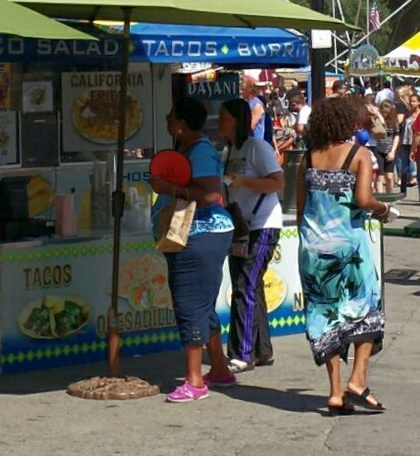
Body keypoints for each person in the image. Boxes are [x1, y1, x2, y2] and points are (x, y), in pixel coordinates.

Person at [298, 94, 393, 414]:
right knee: (367, 307)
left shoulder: (308, 157)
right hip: (348, 249)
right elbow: (365, 199)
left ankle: (336, 392)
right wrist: (384, 210)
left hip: (312, 250)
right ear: (348, 123)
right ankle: (359, 378)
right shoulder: (359, 155)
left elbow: (301, 210)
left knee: (325, 315)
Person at [149, 95, 235, 403]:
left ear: (182, 125)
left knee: (189, 304)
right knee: (203, 302)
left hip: (198, 237)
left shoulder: (198, 152)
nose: (168, 121)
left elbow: (211, 195)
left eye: (171, 117)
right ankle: (220, 368)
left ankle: (195, 380)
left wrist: (168, 189)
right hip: (199, 237)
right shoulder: (191, 150)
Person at [217, 98, 284, 373]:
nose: (219, 121)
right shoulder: (228, 151)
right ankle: (263, 349)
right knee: (248, 285)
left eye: (223, 116)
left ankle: (241, 353)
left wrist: (244, 181)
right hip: (240, 227)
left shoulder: (258, 147)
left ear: (236, 119)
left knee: (245, 285)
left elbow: (277, 182)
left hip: (264, 224)